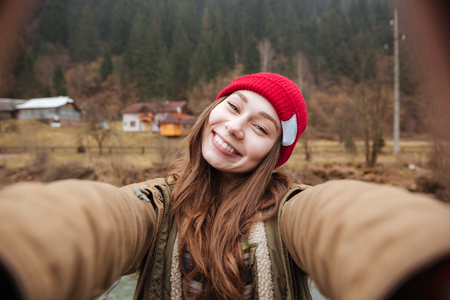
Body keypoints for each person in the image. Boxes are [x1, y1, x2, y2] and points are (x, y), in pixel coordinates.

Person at [0, 73, 450, 300]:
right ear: (212, 109)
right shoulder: (156, 204)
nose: (235, 127)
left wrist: (415, 259)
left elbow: (342, 218)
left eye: (260, 127)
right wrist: (22, 248)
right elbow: (95, 220)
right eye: (233, 106)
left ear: (276, 152)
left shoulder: (290, 211)